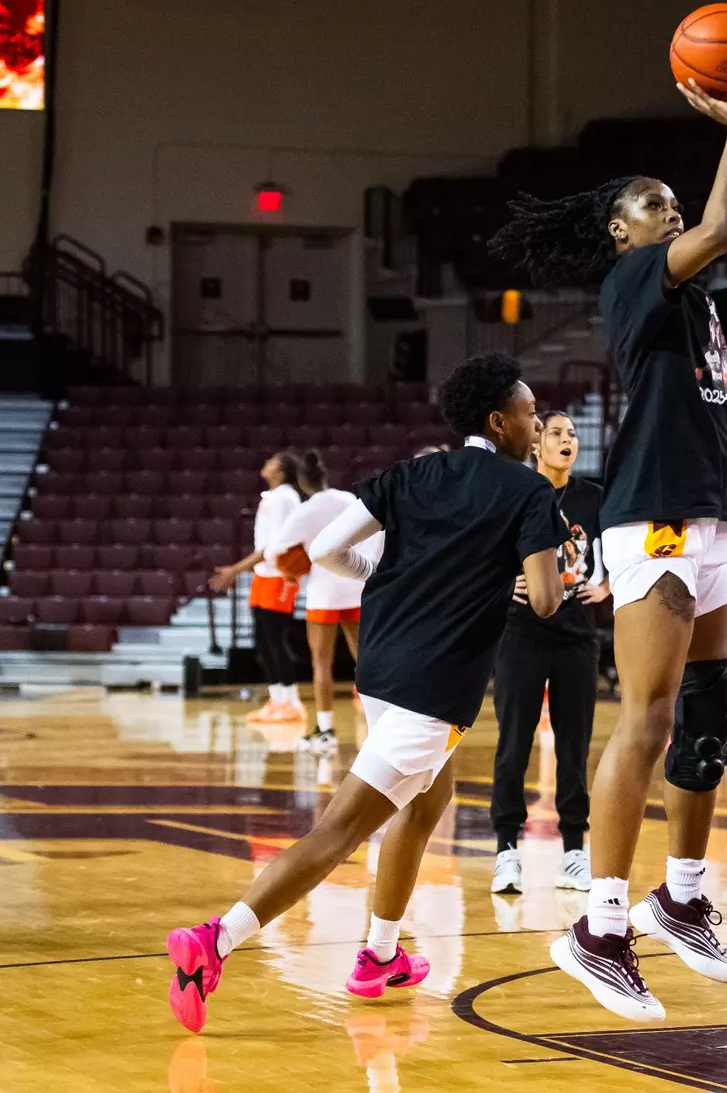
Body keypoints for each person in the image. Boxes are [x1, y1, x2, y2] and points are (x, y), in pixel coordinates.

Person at [489, 83, 727, 1020]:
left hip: (709, 517)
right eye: (651, 205)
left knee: (712, 717)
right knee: (650, 718)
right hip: (653, 515)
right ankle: (598, 925)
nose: (669, 210)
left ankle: (685, 893)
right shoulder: (635, 282)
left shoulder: (703, 309)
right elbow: (715, 223)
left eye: (671, 200)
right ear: (625, 235)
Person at [165, 353, 567, 1034]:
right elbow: (551, 600)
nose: (537, 422)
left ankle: (379, 955)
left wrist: (384, 569)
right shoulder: (528, 493)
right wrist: (516, 581)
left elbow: (324, 551)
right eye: (529, 413)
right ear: (499, 422)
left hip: (381, 667)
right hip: (435, 685)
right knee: (338, 831)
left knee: (427, 801)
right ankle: (214, 941)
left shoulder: (411, 473)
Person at [489, 411, 609, 896]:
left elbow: (621, 547)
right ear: (538, 445)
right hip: (520, 634)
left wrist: (608, 585)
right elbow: (485, 551)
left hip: (578, 635)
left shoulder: (594, 498)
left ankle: (575, 852)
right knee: (514, 743)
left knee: (574, 745)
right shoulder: (516, 491)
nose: (567, 440)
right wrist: (503, 585)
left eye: (573, 435)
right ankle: (506, 850)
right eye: (557, 433)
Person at [265, 450, 385, 753]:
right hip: (356, 586)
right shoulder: (349, 500)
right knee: (366, 661)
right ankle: (380, 729)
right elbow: (377, 533)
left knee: (321, 663)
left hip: (323, 592)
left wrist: (290, 569)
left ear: (304, 483)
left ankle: (326, 730)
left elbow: (274, 550)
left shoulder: (305, 511)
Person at [210, 450, 306, 724]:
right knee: (263, 642)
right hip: (265, 574)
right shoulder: (274, 497)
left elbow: (275, 545)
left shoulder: (286, 498)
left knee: (275, 640)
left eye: (272, 461)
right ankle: (278, 700)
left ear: (283, 470)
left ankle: (292, 702)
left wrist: (235, 569)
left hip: (281, 576)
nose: (266, 463)